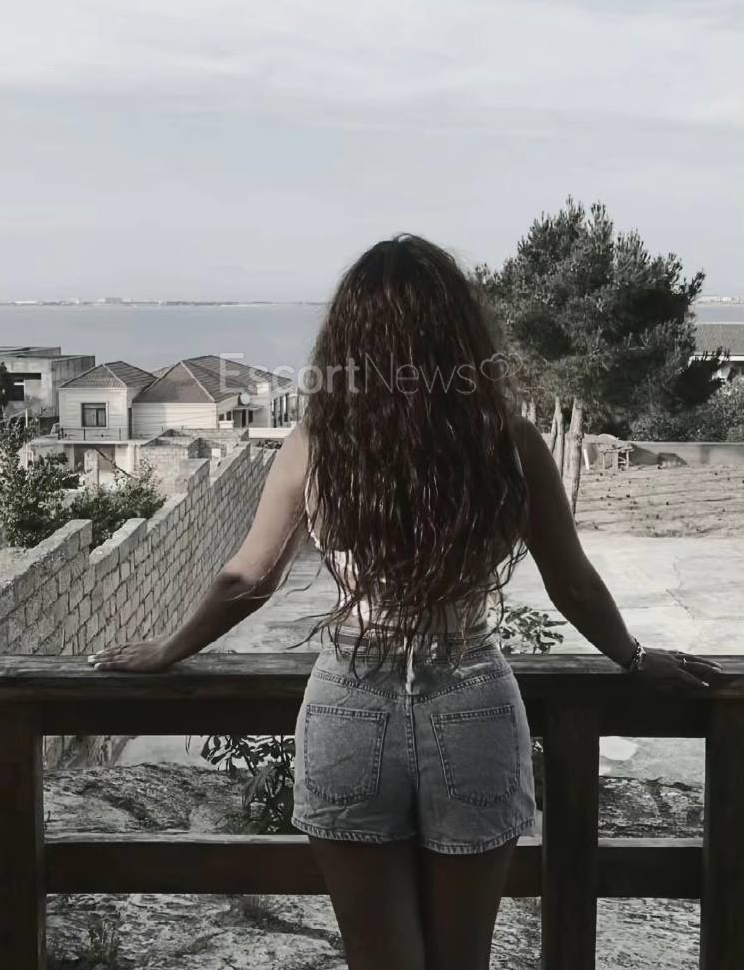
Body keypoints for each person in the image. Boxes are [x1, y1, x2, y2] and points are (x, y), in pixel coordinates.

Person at [89, 233, 723, 970]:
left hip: (349, 702)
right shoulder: (508, 440)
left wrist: (168, 648)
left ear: (348, 338)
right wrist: (634, 658)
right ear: (460, 332)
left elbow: (249, 578)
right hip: (472, 699)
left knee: (378, 956)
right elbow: (572, 582)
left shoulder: (318, 443)